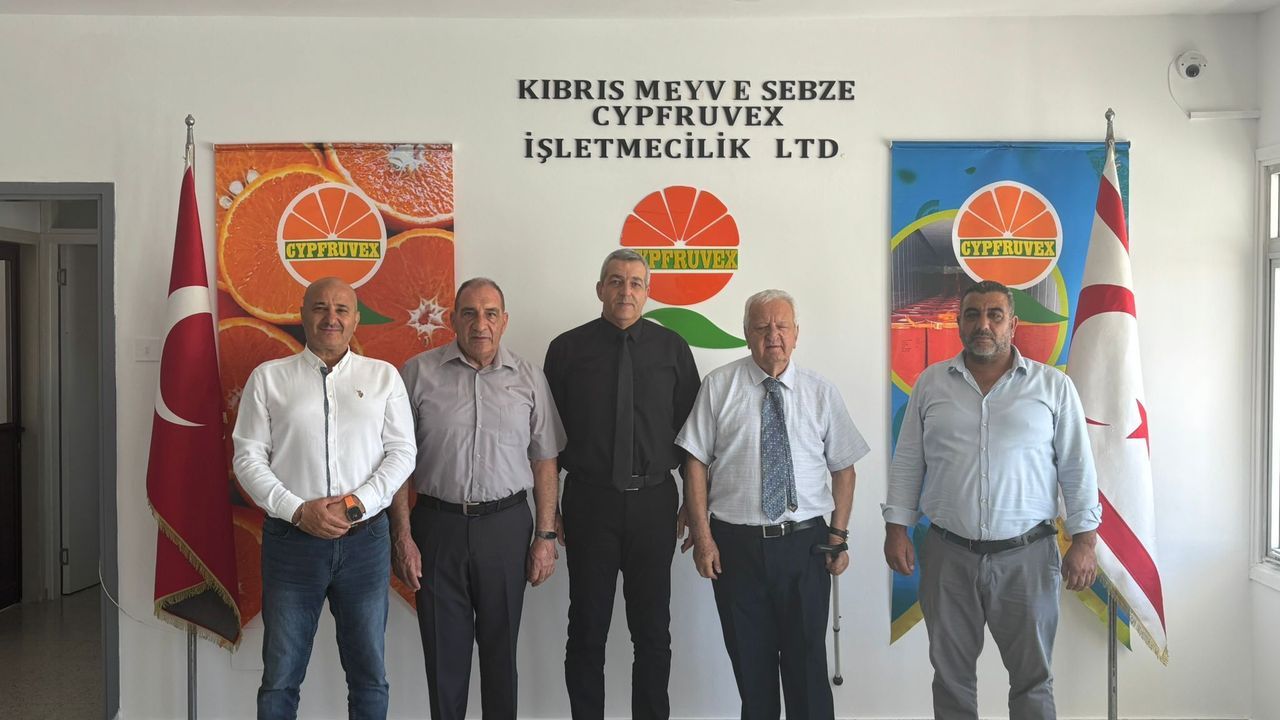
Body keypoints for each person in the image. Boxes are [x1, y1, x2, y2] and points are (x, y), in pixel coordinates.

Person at [883, 279, 1101, 720]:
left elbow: (1077, 466)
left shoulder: (1053, 387)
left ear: (1012, 324)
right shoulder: (930, 384)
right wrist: (896, 529)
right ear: (959, 323)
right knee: (951, 679)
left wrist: (1085, 540)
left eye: (995, 315)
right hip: (948, 555)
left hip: (1028, 557)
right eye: (973, 314)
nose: (983, 324)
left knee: (1033, 680)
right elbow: (907, 461)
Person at [677, 289, 868, 720]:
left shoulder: (821, 392)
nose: (773, 336)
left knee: (808, 670)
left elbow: (845, 469)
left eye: (782, 326)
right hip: (735, 548)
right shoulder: (719, 386)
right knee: (752, 671)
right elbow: (695, 464)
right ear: (747, 334)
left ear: (796, 334)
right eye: (762, 327)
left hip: (806, 547)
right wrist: (703, 538)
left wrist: (838, 535)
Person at [234, 277, 416, 720]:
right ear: (302, 315)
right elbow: (247, 458)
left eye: (341, 309)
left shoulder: (383, 377)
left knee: (369, 675)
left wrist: (356, 505)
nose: (330, 318)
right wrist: (297, 511)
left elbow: (402, 453)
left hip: (365, 544)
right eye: (320, 308)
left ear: (356, 319)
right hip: (291, 544)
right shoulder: (269, 378)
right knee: (280, 678)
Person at [389, 277, 565, 720]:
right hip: (437, 528)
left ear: (504, 321)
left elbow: (545, 460)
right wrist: (402, 537)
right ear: (453, 320)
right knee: (443, 659)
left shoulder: (529, 377)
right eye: (469, 313)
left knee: (501, 656)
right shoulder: (417, 373)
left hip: (506, 528)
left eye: (490, 314)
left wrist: (545, 536)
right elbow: (397, 463)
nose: (480, 324)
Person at [543, 249, 701, 719]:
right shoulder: (566, 350)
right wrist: (551, 513)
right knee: (586, 630)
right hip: (589, 502)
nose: (625, 291)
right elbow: (545, 439)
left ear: (647, 292)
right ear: (600, 289)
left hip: (654, 503)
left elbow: (694, 436)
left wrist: (692, 505)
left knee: (652, 633)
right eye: (615, 281)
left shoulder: (673, 349)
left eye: (634, 283)